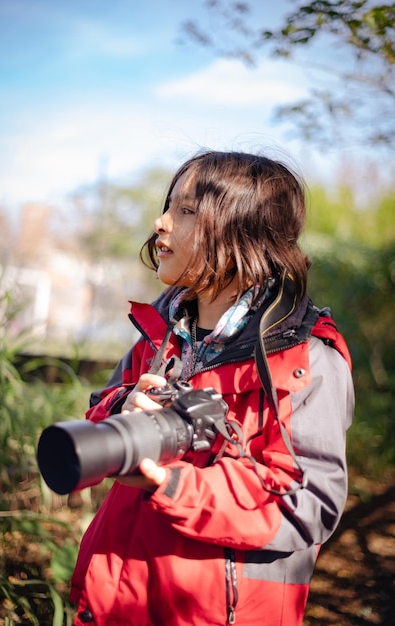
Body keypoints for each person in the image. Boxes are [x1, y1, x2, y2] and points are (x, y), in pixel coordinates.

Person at [69, 150, 354, 626]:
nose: (160, 223)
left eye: (185, 211)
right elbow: (100, 409)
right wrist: (124, 409)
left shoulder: (309, 361)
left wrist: (173, 484)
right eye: (168, 206)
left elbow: (310, 504)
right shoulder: (161, 334)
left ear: (245, 233)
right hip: (116, 601)